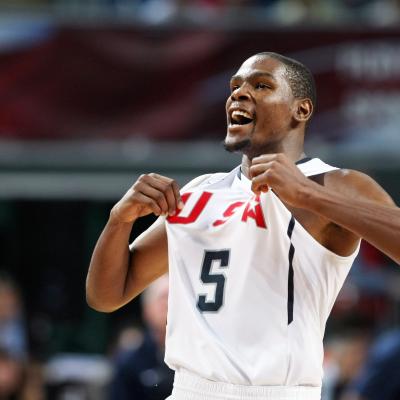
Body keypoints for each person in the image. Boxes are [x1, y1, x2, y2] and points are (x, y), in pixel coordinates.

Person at [86, 52, 400, 400]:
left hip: (279, 392)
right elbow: (107, 296)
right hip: (190, 390)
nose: (239, 93)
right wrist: (118, 221)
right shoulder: (199, 192)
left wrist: (310, 195)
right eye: (234, 87)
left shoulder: (334, 183)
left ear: (302, 109)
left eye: (261, 85)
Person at [110, 275, 174, 400]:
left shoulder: (197, 356)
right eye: (163, 298)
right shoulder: (130, 361)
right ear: (147, 309)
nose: (169, 304)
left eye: (174, 299)